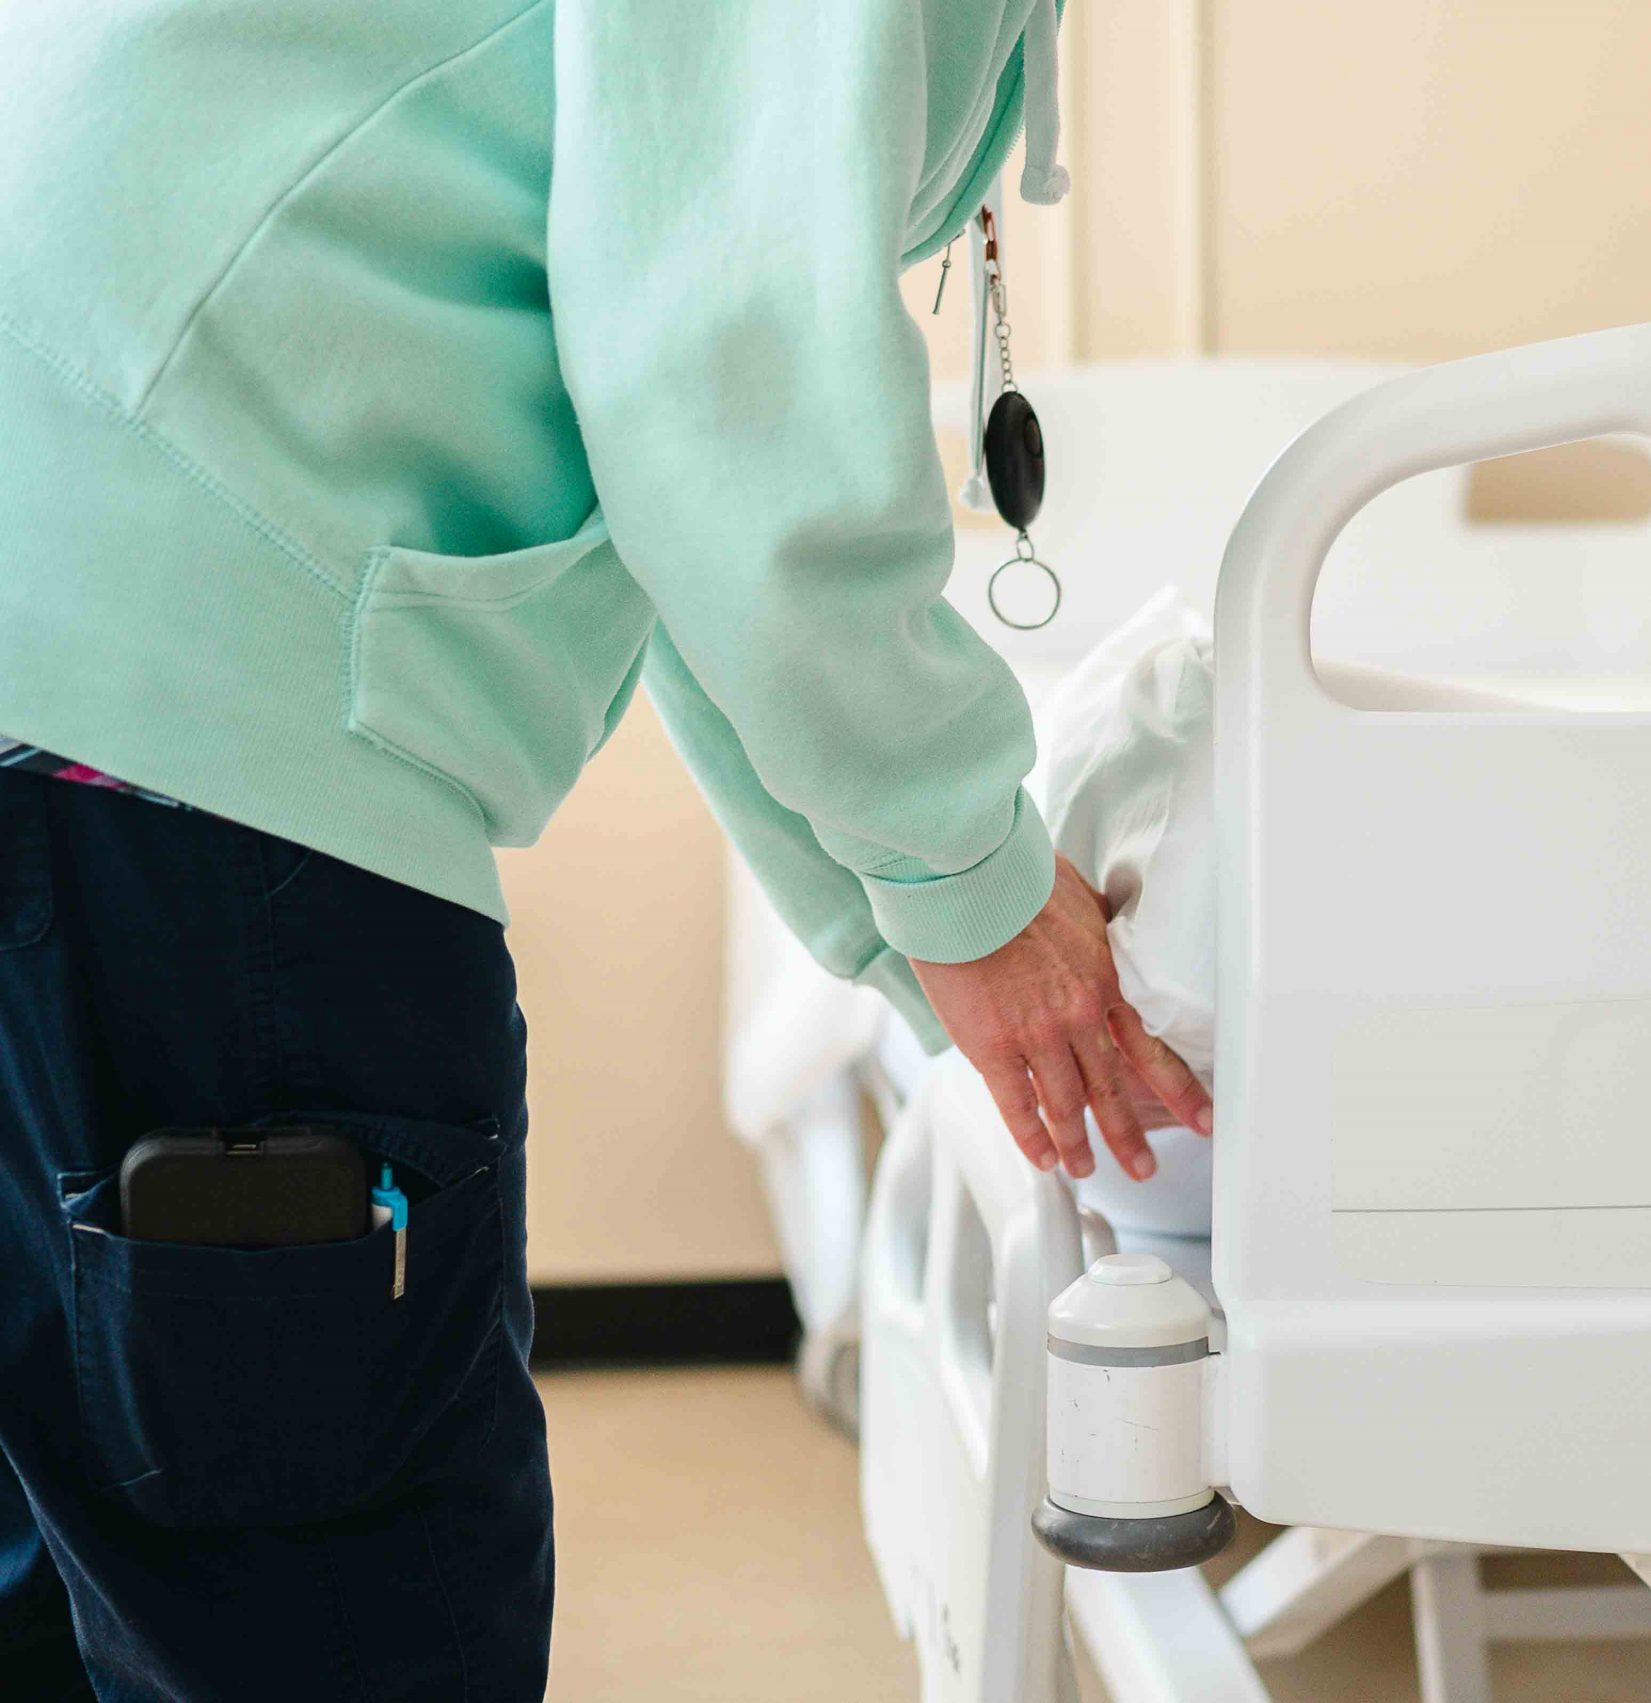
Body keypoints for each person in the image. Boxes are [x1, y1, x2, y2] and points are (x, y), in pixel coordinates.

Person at [0, 2, 1204, 1695]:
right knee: (334, 1623)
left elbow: (689, 503)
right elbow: (719, 393)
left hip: (84, 627)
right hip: (186, 683)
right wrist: (972, 889)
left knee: (58, 1583)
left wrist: (920, 935)